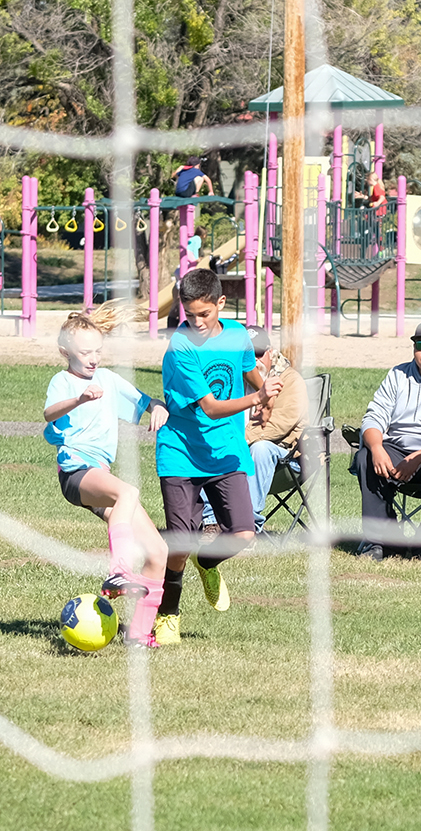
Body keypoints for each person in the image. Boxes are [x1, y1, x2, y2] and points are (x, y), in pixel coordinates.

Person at [152, 267, 281, 645]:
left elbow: (248, 369)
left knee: (243, 533)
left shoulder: (238, 335)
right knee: (181, 543)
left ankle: (207, 563)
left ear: (221, 303)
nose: (196, 322)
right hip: (181, 453)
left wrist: (266, 397)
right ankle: (167, 615)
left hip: (226, 452)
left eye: (204, 314)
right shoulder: (181, 346)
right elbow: (209, 408)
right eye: (189, 314)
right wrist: (257, 398)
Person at [41, 308, 169, 647]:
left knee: (158, 551)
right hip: (76, 472)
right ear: (65, 352)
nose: (94, 358)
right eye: (86, 352)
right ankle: (119, 571)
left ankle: (139, 635)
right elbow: (49, 413)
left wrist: (157, 406)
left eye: (98, 350)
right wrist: (78, 398)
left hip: (101, 474)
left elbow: (144, 401)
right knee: (128, 492)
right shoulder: (62, 381)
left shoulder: (108, 380)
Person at [352, 318, 421, 560]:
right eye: (420, 345)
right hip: (397, 449)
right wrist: (377, 448)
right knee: (365, 457)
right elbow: (373, 417)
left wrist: (418, 458)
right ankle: (383, 543)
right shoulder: (398, 375)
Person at [199, 327, 303, 534]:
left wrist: (236, 441)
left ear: (270, 352)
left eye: (259, 353)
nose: (254, 360)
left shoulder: (290, 380)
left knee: (261, 448)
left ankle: (248, 526)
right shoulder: (229, 379)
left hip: (282, 458)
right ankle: (212, 521)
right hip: (237, 453)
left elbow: (279, 425)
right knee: (208, 443)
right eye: (247, 354)